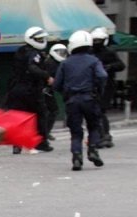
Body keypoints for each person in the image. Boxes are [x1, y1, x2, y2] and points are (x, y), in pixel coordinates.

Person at [54, 31, 107, 171]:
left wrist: (66, 93)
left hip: (72, 100)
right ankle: (93, 150)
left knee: (76, 131)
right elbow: (102, 76)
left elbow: (56, 84)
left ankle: (77, 157)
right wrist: (98, 90)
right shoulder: (94, 60)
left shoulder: (65, 63)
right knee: (94, 126)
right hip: (90, 98)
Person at [5, 27, 54, 154]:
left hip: (16, 89)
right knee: (40, 115)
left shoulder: (20, 51)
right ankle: (41, 143)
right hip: (31, 89)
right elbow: (32, 68)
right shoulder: (34, 53)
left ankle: (17, 144)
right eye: (39, 39)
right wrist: (46, 76)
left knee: (19, 117)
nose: (42, 41)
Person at [90, 27, 125, 148]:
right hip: (93, 85)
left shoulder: (109, 52)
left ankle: (105, 135)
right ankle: (100, 135)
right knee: (95, 111)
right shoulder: (90, 52)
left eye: (99, 40)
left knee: (100, 110)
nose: (96, 43)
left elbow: (121, 65)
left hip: (107, 85)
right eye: (95, 40)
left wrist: (109, 67)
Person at [43, 43, 67, 141]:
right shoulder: (50, 63)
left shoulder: (57, 63)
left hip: (49, 90)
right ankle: (44, 133)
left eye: (63, 52)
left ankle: (45, 132)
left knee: (51, 111)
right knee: (52, 111)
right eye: (60, 52)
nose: (62, 54)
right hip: (44, 90)